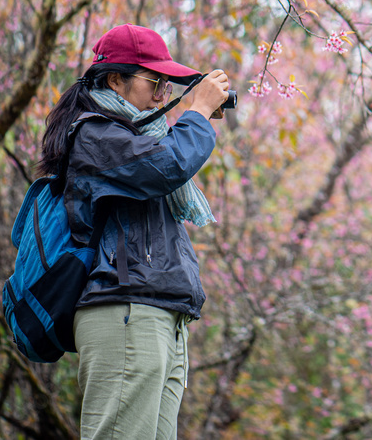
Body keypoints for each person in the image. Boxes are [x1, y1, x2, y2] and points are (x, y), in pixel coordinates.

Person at [36, 23, 230, 440]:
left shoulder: (137, 137)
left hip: (158, 312)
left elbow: (164, 161)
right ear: (114, 79)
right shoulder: (94, 134)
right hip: (124, 310)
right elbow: (166, 167)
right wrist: (194, 114)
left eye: (168, 84)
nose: (163, 94)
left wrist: (192, 115)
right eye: (155, 81)